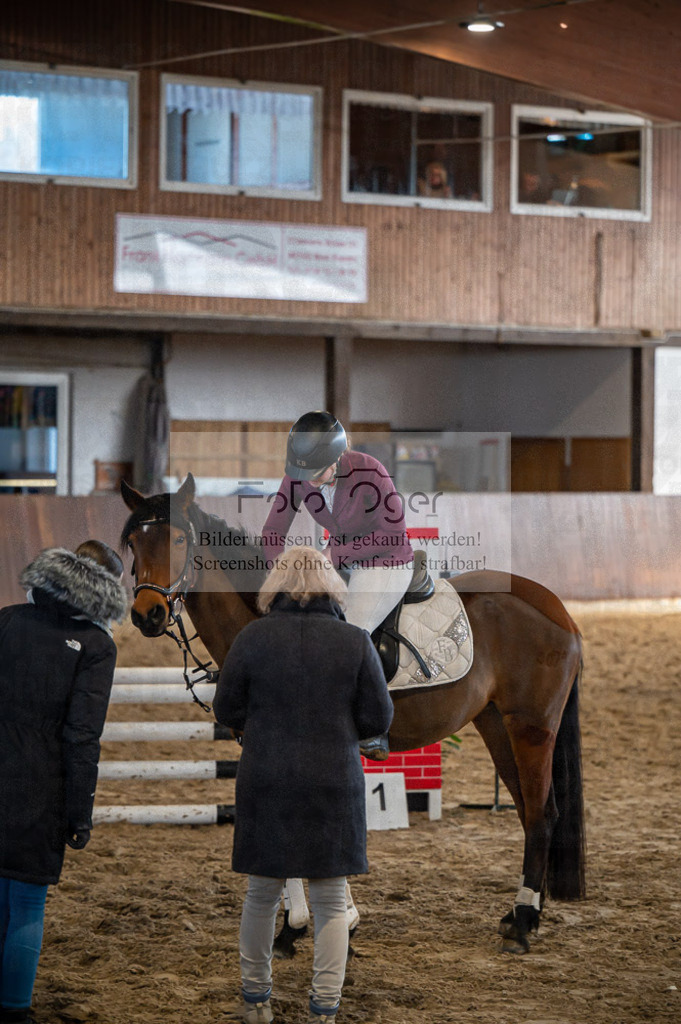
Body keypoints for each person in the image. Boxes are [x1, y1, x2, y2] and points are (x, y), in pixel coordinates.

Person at [213, 546, 393, 1024]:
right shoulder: (354, 641)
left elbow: (225, 708)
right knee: (332, 900)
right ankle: (324, 1010)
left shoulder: (252, 638)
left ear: (277, 585)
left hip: (266, 778)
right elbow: (380, 716)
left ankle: (256, 1002)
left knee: (261, 895)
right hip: (333, 780)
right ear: (331, 586)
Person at [0, 540, 127, 1024]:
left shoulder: (7, 618)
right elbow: (81, 736)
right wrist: (80, 812)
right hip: (42, 785)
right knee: (28, 901)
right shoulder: (97, 646)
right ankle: (14, 1011)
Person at [261, 412, 414, 759]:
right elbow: (273, 532)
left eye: (317, 476)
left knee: (350, 633)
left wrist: (335, 555)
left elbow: (393, 533)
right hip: (340, 562)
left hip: (385, 560)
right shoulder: (299, 473)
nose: (310, 484)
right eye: (305, 477)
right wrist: (280, 575)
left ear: (337, 459)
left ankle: (373, 728)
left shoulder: (369, 471)